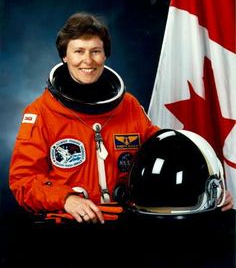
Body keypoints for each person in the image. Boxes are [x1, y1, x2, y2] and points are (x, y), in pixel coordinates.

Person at [9, 12, 233, 225]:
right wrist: (66, 199)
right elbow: (23, 181)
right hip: (71, 228)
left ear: (105, 55)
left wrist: (210, 190)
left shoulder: (128, 106)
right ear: (65, 56)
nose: (88, 60)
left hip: (129, 223)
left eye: (95, 51)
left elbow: (166, 151)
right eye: (79, 51)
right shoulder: (41, 112)